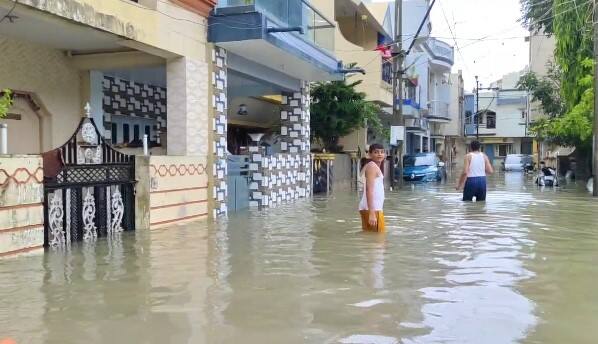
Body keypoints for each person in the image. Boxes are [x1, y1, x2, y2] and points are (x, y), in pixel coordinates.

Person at [359, 144, 386, 232]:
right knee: (378, 241)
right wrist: (372, 213)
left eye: (382, 152)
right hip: (373, 209)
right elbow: (369, 190)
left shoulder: (373, 166)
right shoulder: (372, 166)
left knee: (371, 239)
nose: (380, 154)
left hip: (373, 209)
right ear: (370, 154)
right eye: (376, 152)